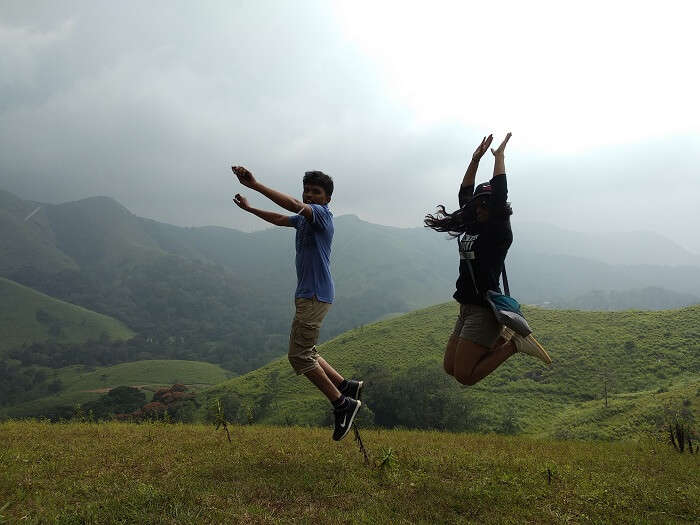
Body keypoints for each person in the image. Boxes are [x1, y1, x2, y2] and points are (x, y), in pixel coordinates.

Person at [232, 166, 363, 440]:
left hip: (315, 295)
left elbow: (292, 204)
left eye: (317, 192)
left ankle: (343, 404)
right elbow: (282, 217)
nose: (310, 196)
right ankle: (345, 386)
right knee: (308, 351)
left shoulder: (321, 216)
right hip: (309, 295)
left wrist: (255, 185)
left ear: (327, 199)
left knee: (299, 357)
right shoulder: (304, 220)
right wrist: (250, 210)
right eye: (308, 191)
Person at [424, 133, 551, 386]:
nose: (480, 208)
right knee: (450, 367)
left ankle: (515, 344)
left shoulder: (498, 232)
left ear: (496, 208)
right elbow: (464, 194)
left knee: (465, 376)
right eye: (478, 204)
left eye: (487, 205)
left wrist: (499, 158)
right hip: (466, 307)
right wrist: (474, 160)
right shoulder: (472, 225)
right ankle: (504, 337)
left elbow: (500, 192)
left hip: (484, 310)